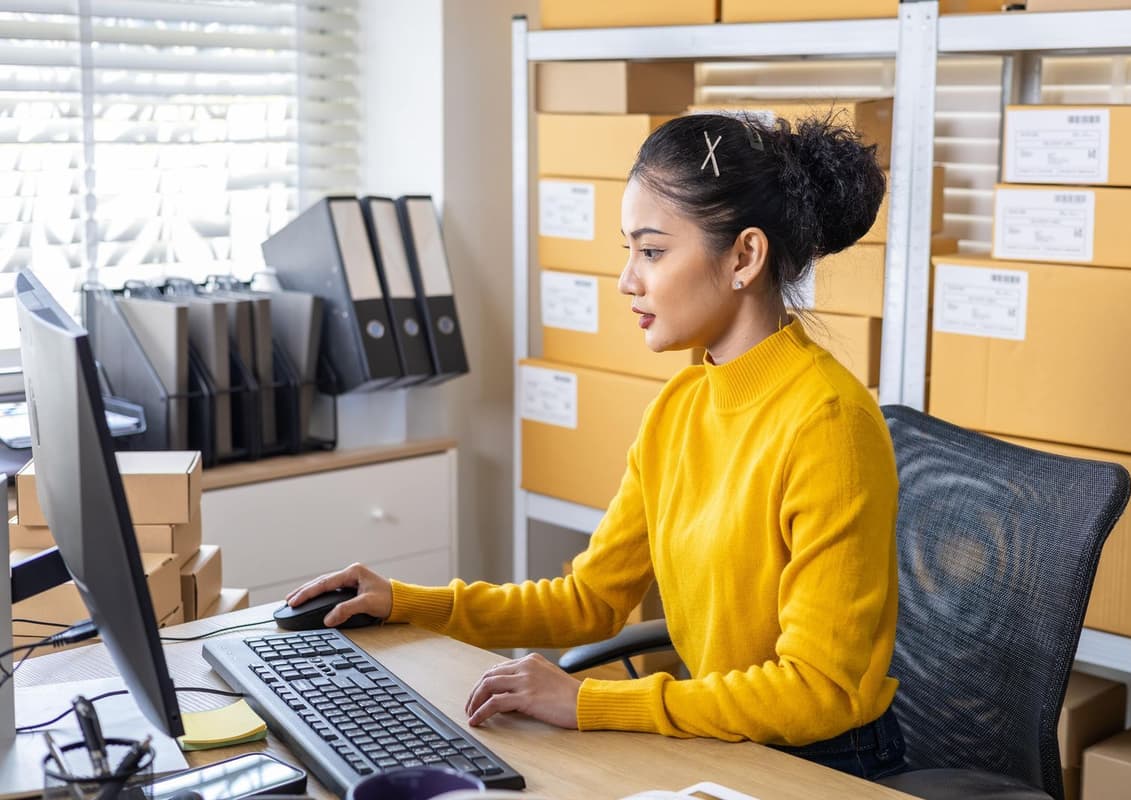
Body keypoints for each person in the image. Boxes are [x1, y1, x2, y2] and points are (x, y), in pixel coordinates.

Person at [287, 112, 906, 780]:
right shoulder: (681, 406)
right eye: (628, 250)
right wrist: (404, 602)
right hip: (724, 740)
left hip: (824, 764)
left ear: (744, 258)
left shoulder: (829, 424)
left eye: (652, 251)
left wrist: (589, 701)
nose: (627, 280)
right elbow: (591, 599)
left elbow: (817, 691)